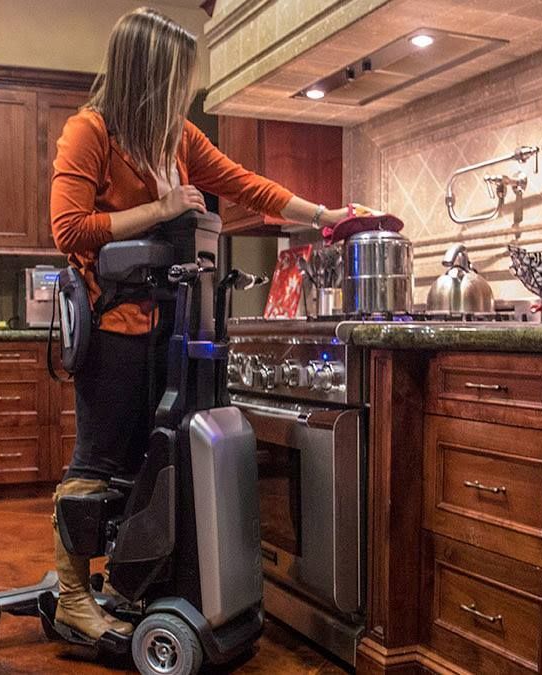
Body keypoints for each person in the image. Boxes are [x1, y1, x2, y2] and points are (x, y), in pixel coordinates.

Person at [47, 6, 367, 639]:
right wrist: (160, 208)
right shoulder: (90, 132)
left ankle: (129, 582)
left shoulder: (178, 140)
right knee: (96, 460)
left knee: (147, 459)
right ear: (149, 74)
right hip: (109, 332)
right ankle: (69, 594)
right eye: (179, 76)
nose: (186, 90)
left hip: (165, 331)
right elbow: (69, 229)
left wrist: (325, 213)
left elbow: (246, 184)